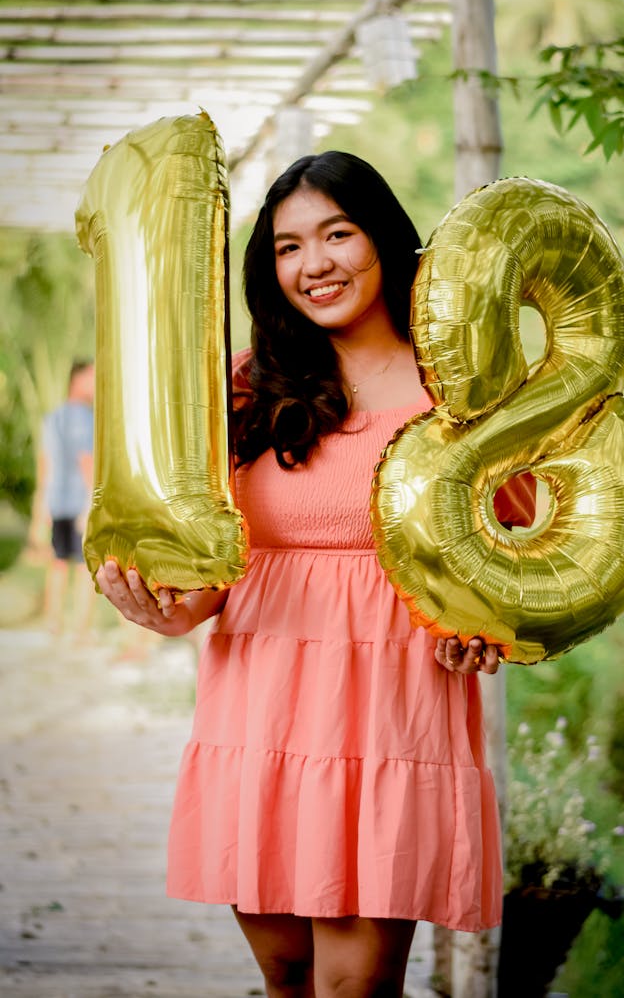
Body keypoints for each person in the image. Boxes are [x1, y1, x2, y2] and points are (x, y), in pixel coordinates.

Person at [96, 152, 536, 997]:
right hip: (259, 704)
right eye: (289, 246)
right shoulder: (243, 388)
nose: (315, 263)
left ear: (387, 240)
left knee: (351, 988)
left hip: (391, 709)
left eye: (338, 233)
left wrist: (485, 625)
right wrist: (164, 608)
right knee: (288, 976)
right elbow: (214, 572)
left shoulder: (461, 385)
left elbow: (515, 556)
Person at [36, 359, 96, 638]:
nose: (96, 383)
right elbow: (87, 462)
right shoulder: (84, 418)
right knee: (85, 568)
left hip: (56, 501)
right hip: (78, 502)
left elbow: (44, 465)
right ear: (77, 379)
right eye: (91, 376)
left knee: (58, 563)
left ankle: (53, 622)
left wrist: (41, 507)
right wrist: (91, 504)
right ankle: (80, 629)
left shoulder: (52, 417)